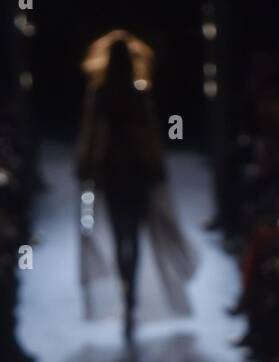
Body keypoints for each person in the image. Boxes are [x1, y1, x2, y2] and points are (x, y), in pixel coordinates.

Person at [75, 30, 198, 338]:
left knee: (121, 235)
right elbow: (151, 135)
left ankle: (127, 291)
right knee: (135, 236)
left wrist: (86, 165)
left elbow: (92, 133)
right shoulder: (136, 96)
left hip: (114, 173)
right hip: (134, 172)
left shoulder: (102, 94)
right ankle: (129, 295)